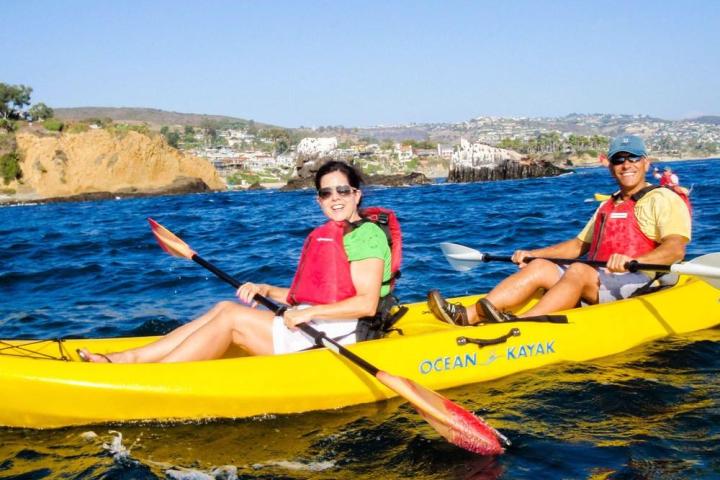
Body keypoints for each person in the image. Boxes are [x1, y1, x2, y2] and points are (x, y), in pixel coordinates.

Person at [79, 161, 393, 362]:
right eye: (326, 193)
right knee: (226, 309)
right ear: (318, 200)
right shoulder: (329, 234)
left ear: (356, 194)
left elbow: (365, 304)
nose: (335, 197)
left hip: (343, 335)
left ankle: (148, 379)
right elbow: (320, 293)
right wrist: (267, 289)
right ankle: (128, 359)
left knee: (232, 322)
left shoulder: (366, 236)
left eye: (342, 190)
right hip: (317, 321)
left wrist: (307, 313)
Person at [428, 135, 692, 326]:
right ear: (611, 166)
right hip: (600, 279)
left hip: (638, 280)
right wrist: (534, 254)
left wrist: (635, 261)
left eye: (633, 158)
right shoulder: (609, 204)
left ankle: (523, 325)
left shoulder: (663, 199)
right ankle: (468, 315)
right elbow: (578, 246)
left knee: (578, 269)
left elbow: (675, 248)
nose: (626, 164)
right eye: (619, 160)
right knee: (541, 266)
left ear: (646, 163)